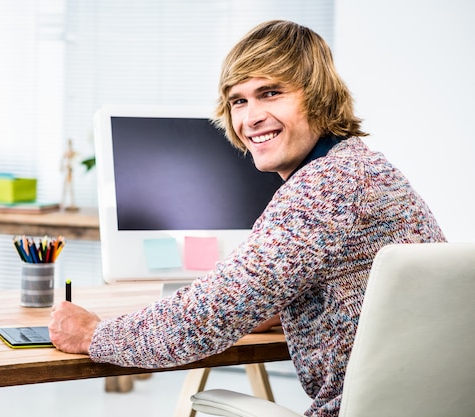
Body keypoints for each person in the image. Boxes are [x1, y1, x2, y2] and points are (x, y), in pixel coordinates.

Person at [49, 20, 445, 417]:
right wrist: (273, 305)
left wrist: (95, 334)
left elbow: (205, 318)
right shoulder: (364, 167)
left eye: (270, 93)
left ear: (319, 97)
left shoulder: (325, 185)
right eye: (238, 101)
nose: (250, 118)